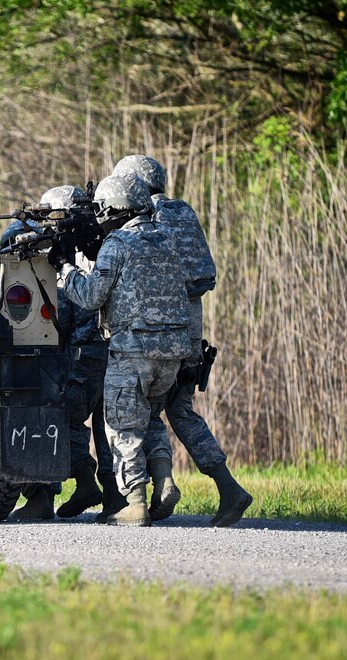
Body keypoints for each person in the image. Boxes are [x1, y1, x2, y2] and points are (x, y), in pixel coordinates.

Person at [112, 155, 253, 527]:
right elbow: (203, 275)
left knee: (142, 410)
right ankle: (226, 489)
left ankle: (148, 492)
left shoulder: (144, 219)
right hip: (190, 328)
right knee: (180, 410)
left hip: (159, 330)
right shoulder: (183, 212)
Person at [54, 174, 192, 526]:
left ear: (115, 208)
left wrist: (65, 268)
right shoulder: (168, 238)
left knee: (121, 426)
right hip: (173, 350)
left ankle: (135, 502)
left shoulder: (118, 243)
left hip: (133, 350)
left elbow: (89, 296)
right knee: (149, 418)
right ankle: (164, 480)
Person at [10, 185, 108, 521]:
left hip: (78, 361)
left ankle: (43, 498)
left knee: (48, 417)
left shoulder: (68, 261)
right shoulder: (101, 246)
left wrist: (26, 224)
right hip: (100, 360)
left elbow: (59, 317)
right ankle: (86, 482)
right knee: (71, 421)